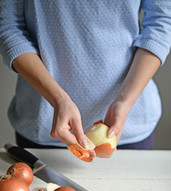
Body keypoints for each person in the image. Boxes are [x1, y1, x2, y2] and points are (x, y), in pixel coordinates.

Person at [0, 1, 171, 153]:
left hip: (131, 124)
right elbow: (9, 27)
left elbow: (161, 22)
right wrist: (58, 99)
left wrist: (125, 101)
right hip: (41, 123)